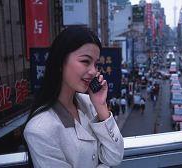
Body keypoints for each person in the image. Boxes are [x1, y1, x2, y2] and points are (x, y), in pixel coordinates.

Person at [23, 26, 124, 168]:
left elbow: (115, 157)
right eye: (85, 62)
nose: (93, 71)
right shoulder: (39, 130)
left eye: (96, 64)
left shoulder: (89, 103)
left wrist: (101, 106)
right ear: (60, 62)